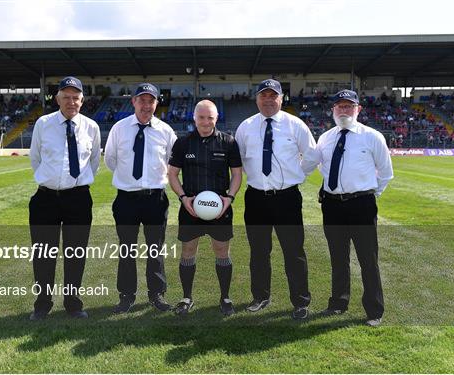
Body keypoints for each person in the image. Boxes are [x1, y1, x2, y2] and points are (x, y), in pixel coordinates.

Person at [304, 89, 393, 327]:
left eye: (349, 106)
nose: (344, 110)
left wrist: (370, 195)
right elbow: (314, 165)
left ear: (358, 110)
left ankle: (374, 310)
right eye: (340, 106)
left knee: (368, 258)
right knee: (338, 257)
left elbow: (386, 172)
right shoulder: (325, 138)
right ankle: (338, 302)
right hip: (332, 205)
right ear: (333, 110)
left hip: (361, 205)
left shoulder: (372, 136)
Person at [235, 79, 316, 320]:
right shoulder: (245, 127)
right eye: (264, 96)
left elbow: (312, 155)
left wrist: (298, 175)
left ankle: (300, 302)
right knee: (259, 251)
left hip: (287, 199)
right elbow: (236, 160)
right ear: (257, 99)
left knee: (294, 251)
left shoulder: (295, 125)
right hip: (257, 198)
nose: (268, 100)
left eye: (273, 96)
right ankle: (260, 297)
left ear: (281, 98)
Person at [28, 76, 101, 320]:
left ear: (82, 101)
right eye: (66, 97)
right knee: (43, 254)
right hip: (45, 199)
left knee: (75, 254)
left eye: (76, 98)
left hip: (78, 200)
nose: (71, 102)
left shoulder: (91, 127)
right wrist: (48, 180)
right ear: (57, 98)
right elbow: (35, 158)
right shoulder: (43, 123)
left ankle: (73, 303)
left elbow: (94, 163)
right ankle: (42, 304)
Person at [104, 83, 177, 314]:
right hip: (126, 198)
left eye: (151, 101)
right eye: (142, 100)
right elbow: (111, 160)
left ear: (156, 103)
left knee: (155, 248)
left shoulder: (165, 131)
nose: (146, 105)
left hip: (155, 199)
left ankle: (156, 294)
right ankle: (126, 295)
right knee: (126, 248)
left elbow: (172, 162)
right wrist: (130, 181)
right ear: (133, 101)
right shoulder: (119, 128)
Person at [167, 100, 242, 316]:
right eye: (201, 117)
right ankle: (186, 297)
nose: (206, 121)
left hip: (220, 209)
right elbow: (172, 174)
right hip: (190, 209)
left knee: (222, 251)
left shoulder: (228, 142)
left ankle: (225, 298)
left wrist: (229, 198)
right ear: (194, 117)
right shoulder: (182, 143)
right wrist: (183, 198)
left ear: (216, 118)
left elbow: (237, 174)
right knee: (188, 251)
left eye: (210, 117)